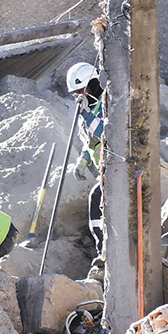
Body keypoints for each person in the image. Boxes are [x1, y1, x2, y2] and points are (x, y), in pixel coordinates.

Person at [66, 61, 105, 262]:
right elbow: (90, 143)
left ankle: (103, 252)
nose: (79, 96)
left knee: (96, 199)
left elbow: (106, 133)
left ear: (91, 84)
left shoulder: (107, 102)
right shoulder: (87, 111)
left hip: (118, 166)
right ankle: (104, 251)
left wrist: (86, 114)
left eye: (81, 90)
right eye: (76, 93)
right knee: (98, 203)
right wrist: (82, 161)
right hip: (103, 170)